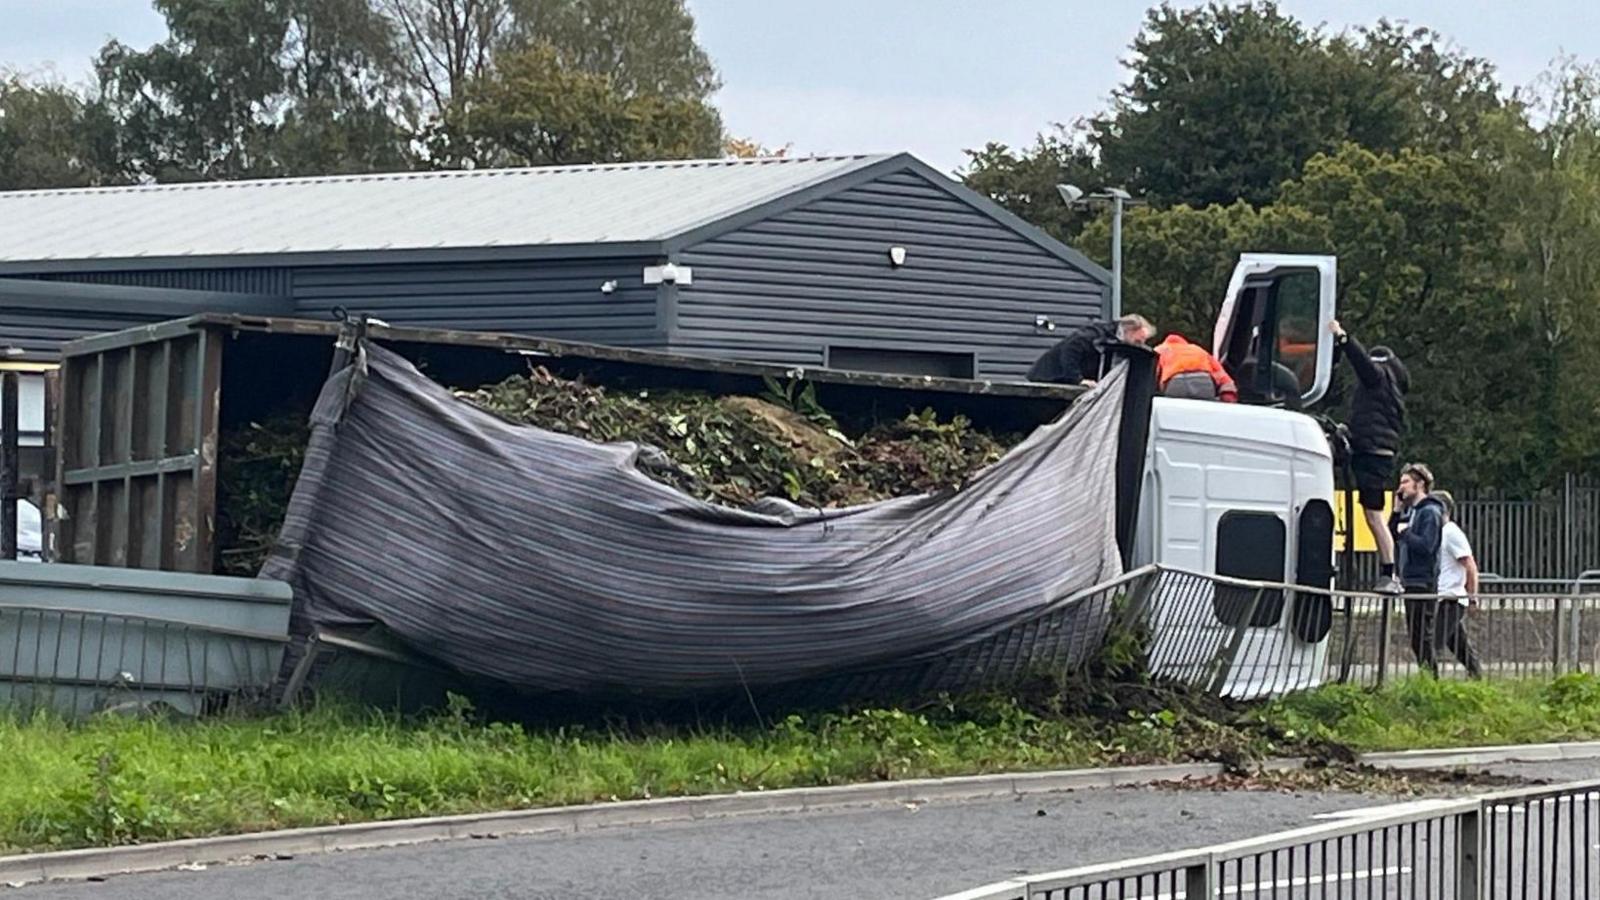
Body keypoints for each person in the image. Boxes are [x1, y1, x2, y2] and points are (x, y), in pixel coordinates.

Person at [1329, 319, 1411, 594]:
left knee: (1374, 516)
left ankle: (1390, 572)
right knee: (1370, 514)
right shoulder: (1393, 392)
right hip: (1373, 450)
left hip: (1372, 453)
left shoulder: (1378, 380)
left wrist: (1343, 338)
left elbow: (1363, 364)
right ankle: (1388, 571)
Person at [1391, 462, 1446, 674]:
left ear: (1420, 484)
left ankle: (1431, 680)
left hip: (1423, 581)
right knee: (1416, 637)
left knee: (1422, 637)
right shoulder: (1412, 512)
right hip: (1411, 580)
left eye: (1405, 482)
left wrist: (1406, 533)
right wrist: (1397, 510)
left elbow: (1427, 546)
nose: (1401, 487)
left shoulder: (1429, 512)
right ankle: (1428, 678)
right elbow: (1392, 533)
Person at [1431, 490, 1484, 678]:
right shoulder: (1438, 532)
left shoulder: (1451, 532)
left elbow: (1469, 564)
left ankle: (1429, 682)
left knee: (1431, 644)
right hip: (1442, 598)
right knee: (1458, 645)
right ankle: (1477, 675)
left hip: (1451, 598)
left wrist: (1472, 597)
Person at [1028, 314, 1154, 386]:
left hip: (1061, 379)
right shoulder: (1096, 333)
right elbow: (1070, 349)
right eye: (1138, 341)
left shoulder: (1113, 339)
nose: (1140, 345)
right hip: (1048, 377)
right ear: (1130, 330)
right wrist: (1078, 379)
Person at [1153, 333, 1238, 401]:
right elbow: (1222, 376)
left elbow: (1152, 375)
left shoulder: (1160, 350)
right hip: (1203, 381)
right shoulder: (1198, 350)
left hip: (1175, 383)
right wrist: (1227, 397)